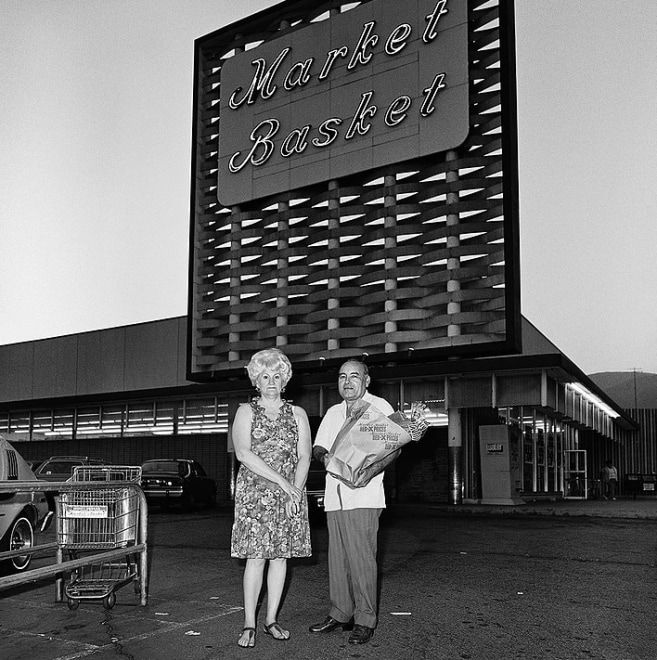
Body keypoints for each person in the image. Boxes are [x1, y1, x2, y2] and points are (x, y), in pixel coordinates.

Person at [230, 347, 312, 648]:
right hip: (256, 493)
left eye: (277, 375)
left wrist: (296, 491)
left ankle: (271, 620)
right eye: (265, 376)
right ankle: (249, 623)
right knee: (256, 558)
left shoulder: (299, 414)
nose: (271, 381)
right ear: (256, 380)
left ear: (285, 379)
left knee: (280, 558)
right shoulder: (246, 412)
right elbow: (243, 454)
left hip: (290, 494)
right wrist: (284, 483)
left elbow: (304, 456)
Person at [309, 359, 394, 645]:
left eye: (354, 376)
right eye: (342, 376)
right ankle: (340, 613)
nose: (347, 382)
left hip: (364, 495)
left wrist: (370, 471)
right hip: (335, 496)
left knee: (362, 560)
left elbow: (393, 449)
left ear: (366, 380)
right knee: (338, 560)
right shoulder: (333, 412)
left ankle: (365, 619)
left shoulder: (379, 407)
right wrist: (324, 457)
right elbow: (318, 446)